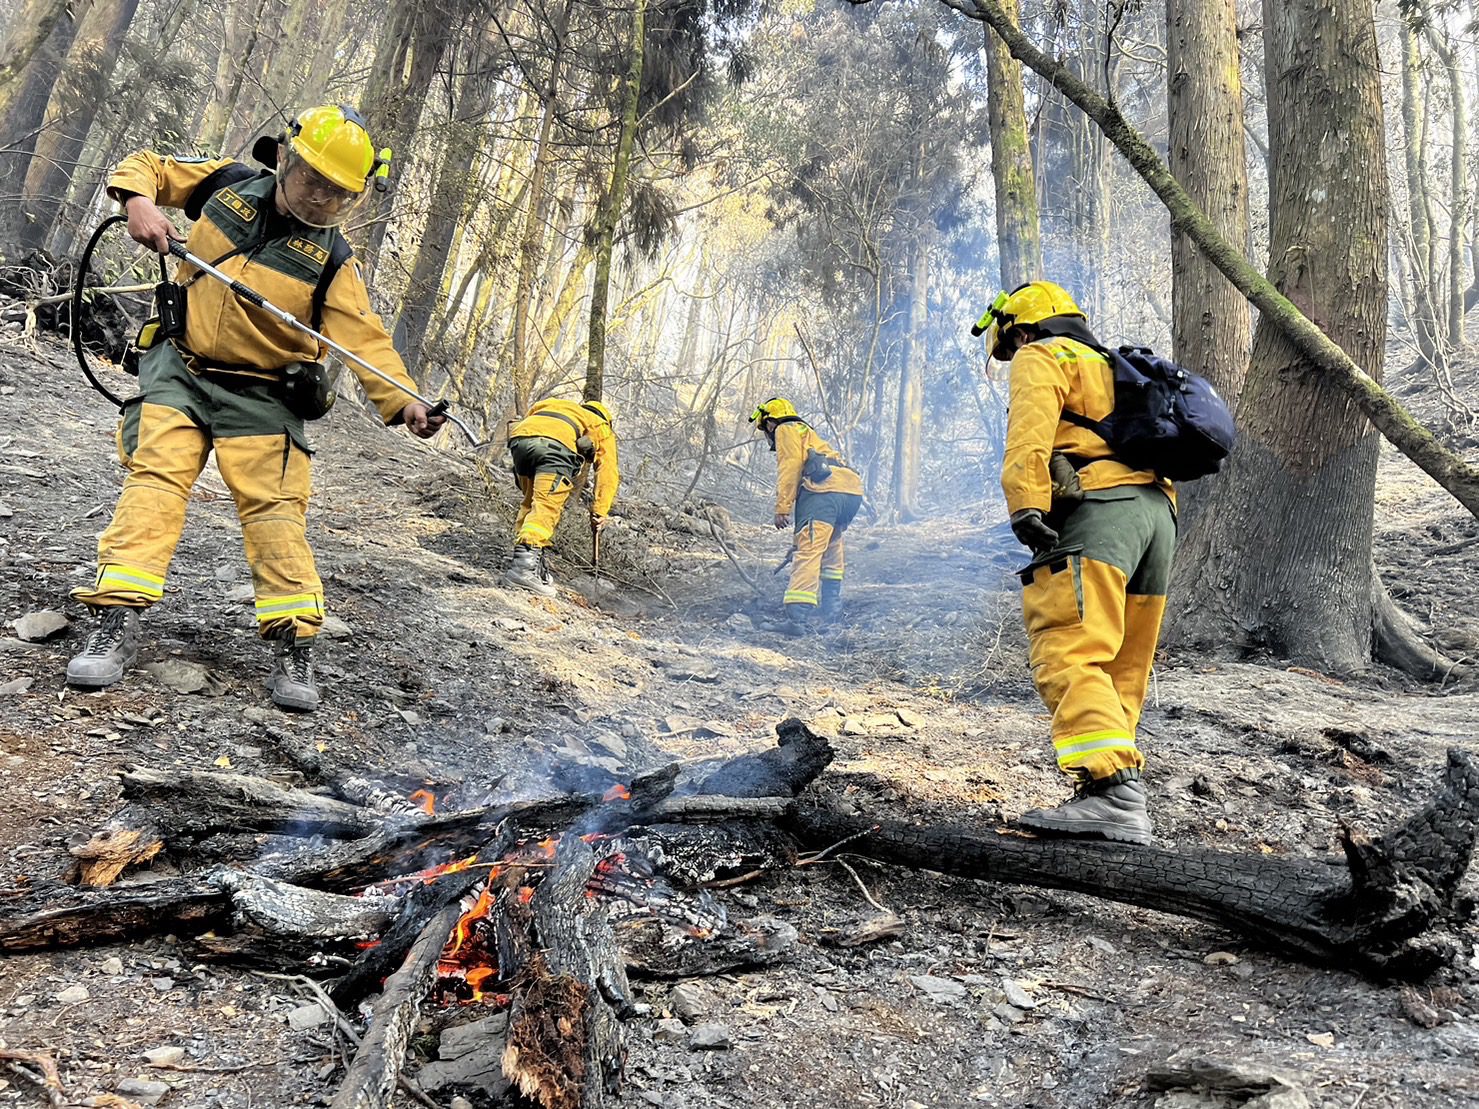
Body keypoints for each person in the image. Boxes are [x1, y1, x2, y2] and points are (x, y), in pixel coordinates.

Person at [66, 104, 446, 712]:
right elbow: (149, 167)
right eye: (312, 180)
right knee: (155, 482)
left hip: (264, 395)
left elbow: (366, 341)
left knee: (275, 512)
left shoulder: (333, 262)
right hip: (180, 369)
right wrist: (136, 199)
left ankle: (294, 645)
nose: (320, 198)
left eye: (338, 193)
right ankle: (113, 621)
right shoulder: (226, 185)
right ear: (286, 159)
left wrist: (406, 405)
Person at [981, 280, 1176, 846]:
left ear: (1021, 329)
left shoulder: (1044, 354)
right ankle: (1113, 792)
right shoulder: (1114, 367)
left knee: (1066, 644)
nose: (1012, 357)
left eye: (1009, 347)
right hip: (1156, 517)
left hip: (1100, 513)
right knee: (1121, 659)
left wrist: (1025, 505)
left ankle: (1112, 791)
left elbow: (1029, 440)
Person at [748, 397, 864, 634]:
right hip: (850, 491)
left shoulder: (785, 428)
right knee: (831, 546)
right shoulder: (807, 432)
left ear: (770, 422)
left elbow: (789, 467)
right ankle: (832, 611)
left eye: (764, 428)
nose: (767, 434)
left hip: (824, 493)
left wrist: (782, 508)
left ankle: (796, 620)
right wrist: (796, 540)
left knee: (808, 553)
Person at [501, 398, 619, 597]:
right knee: (546, 507)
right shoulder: (601, 425)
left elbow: (529, 421)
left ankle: (525, 561)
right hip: (555, 450)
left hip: (520, 442)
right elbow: (608, 473)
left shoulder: (556, 405)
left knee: (531, 504)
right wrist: (599, 512)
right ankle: (523, 570)